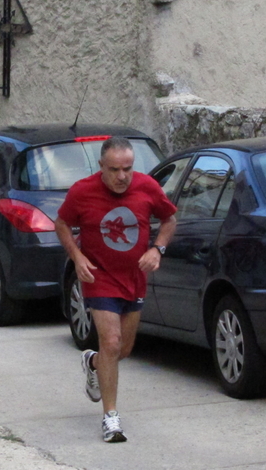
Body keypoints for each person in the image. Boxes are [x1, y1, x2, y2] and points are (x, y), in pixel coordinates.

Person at [55, 137, 177, 443]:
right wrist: (77, 256)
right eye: (114, 169)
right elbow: (61, 224)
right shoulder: (82, 191)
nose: (122, 176)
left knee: (123, 350)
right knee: (110, 341)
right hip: (99, 277)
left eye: (128, 169)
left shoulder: (147, 187)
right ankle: (111, 418)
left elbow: (169, 219)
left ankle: (93, 362)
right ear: (101, 167)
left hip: (135, 277)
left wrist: (157, 249)